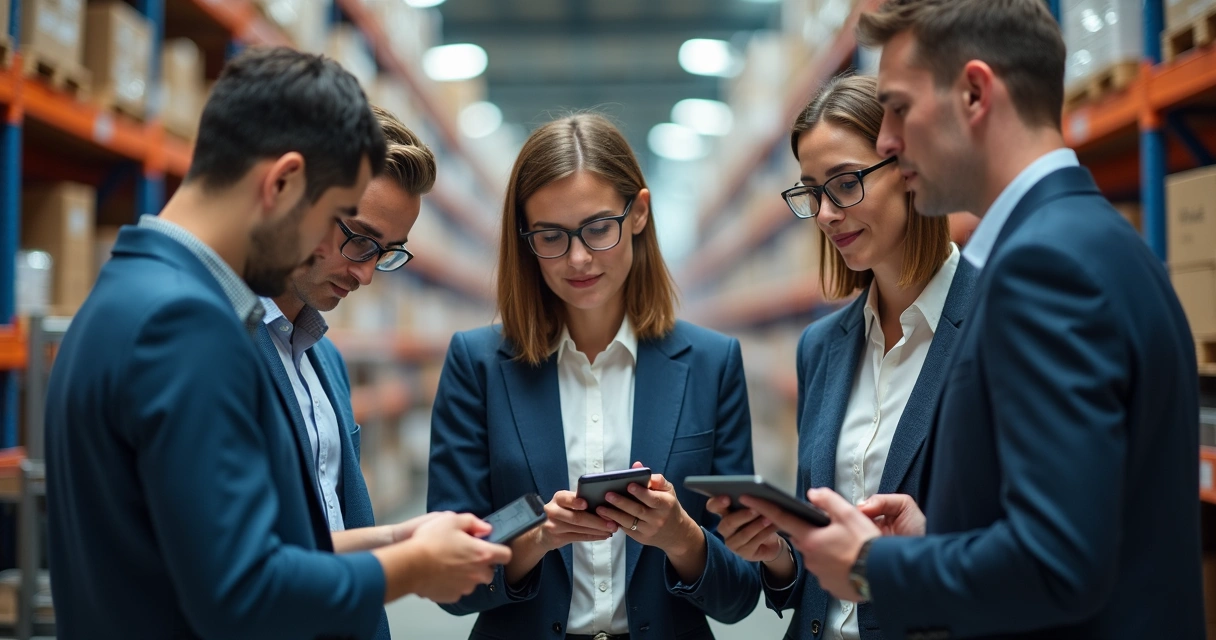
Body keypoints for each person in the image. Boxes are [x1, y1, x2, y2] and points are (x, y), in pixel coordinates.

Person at [745, 1, 1204, 638]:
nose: (890, 140)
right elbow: (1078, 524)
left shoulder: (1043, 267)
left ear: (974, 93)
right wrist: (929, 539)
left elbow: (1057, 563)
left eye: (900, 108)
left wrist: (876, 564)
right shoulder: (1092, 238)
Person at [45, 47, 510, 640]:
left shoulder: (130, 288)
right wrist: (415, 567)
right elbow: (242, 591)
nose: (321, 247)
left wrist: (398, 539)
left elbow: (205, 549)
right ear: (283, 182)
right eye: (331, 218)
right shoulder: (186, 321)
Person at [427, 113, 759, 640]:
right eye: (551, 236)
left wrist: (681, 537)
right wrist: (537, 535)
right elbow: (446, 578)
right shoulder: (477, 364)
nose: (578, 258)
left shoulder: (710, 363)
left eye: (598, 228)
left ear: (639, 213)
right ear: (525, 239)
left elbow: (741, 593)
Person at [707, 74, 976, 640]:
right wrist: (776, 551)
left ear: (908, 168)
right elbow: (811, 575)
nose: (826, 213)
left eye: (846, 182)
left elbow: (1030, 547)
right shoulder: (822, 347)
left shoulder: (994, 321)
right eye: (812, 191)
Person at [256, 105, 438, 640]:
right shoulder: (215, 348)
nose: (364, 273)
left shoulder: (326, 360)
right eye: (358, 237)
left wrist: (401, 539)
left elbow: (332, 525)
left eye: (385, 253)